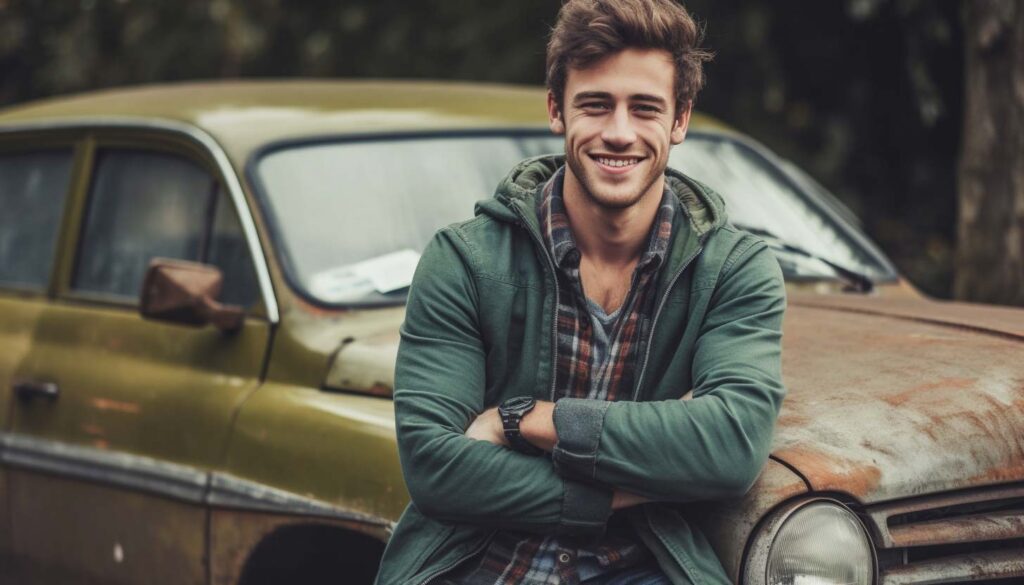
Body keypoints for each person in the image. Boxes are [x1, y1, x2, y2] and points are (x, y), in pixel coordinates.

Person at [375, 0, 786, 583]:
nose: (619, 133)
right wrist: (632, 483)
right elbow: (434, 468)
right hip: (476, 564)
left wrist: (521, 421)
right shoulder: (464, 260)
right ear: (556, 110)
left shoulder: (734, 271)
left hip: (643, 567)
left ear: (679, 120)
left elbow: (731, 446)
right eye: (596, 105)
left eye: (645, 109)